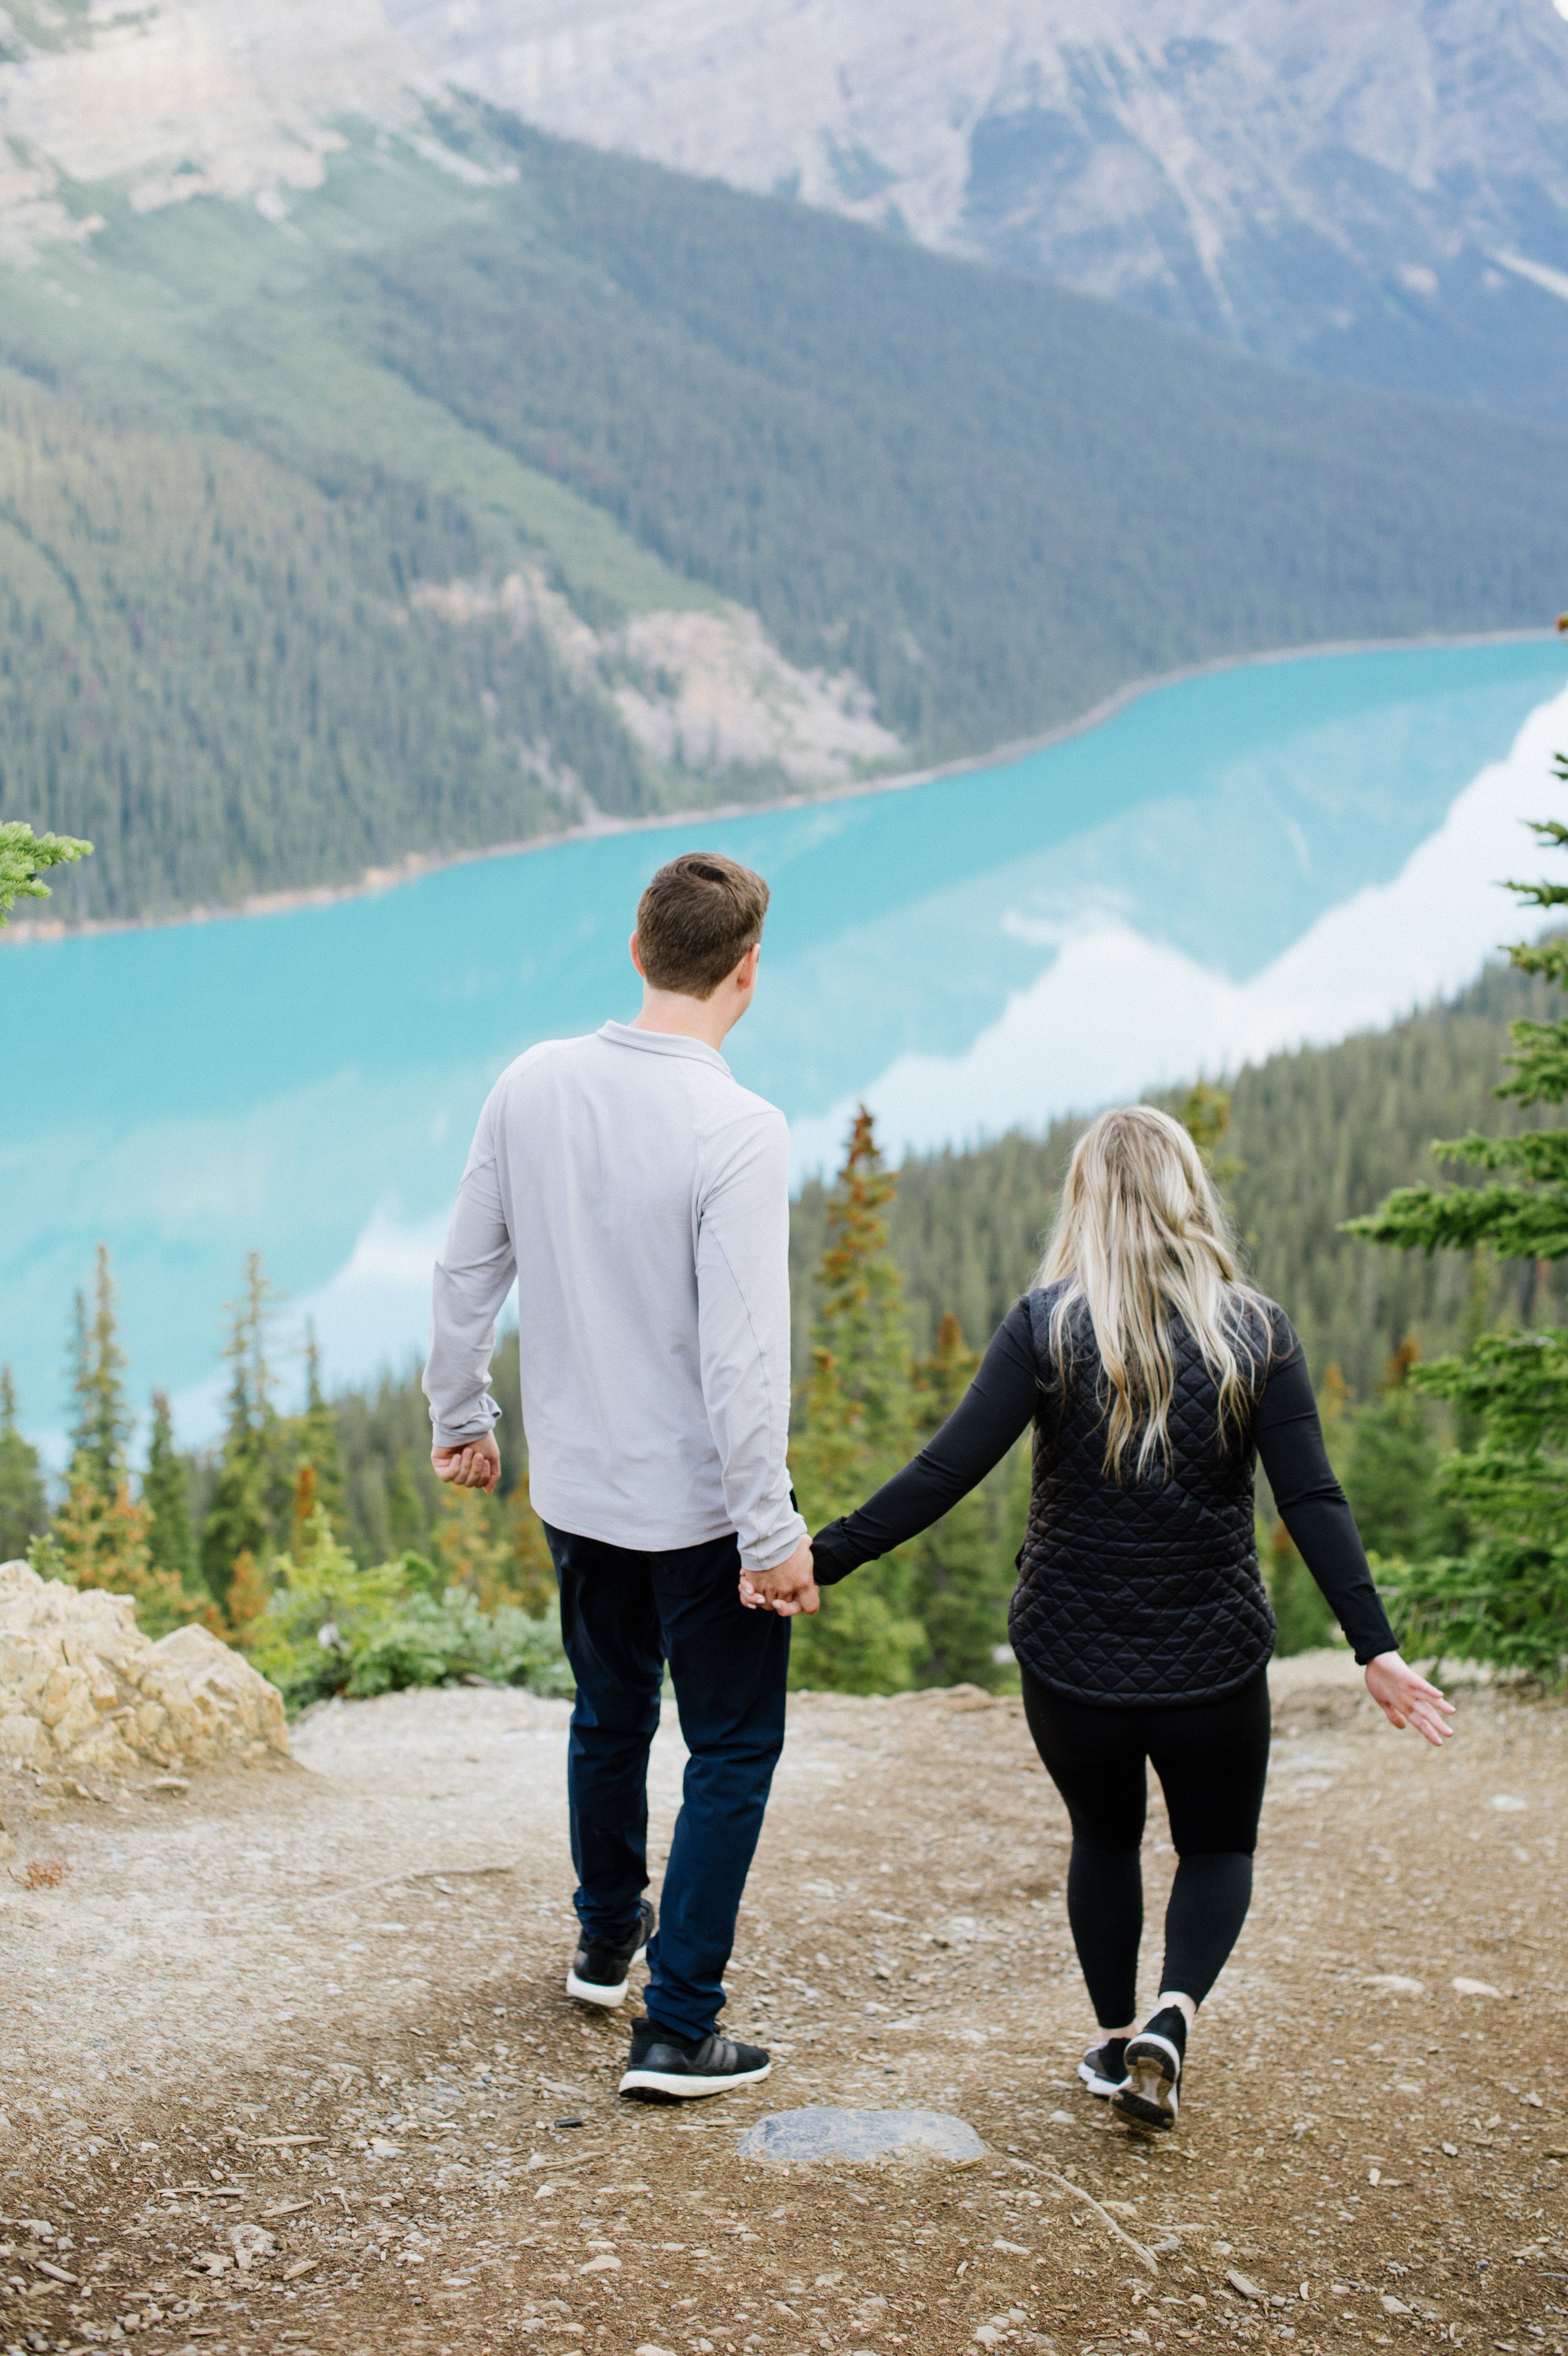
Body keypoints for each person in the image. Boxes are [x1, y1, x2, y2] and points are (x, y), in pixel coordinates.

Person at [746, 1105, 1453, 2130]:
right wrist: (1373, 1648)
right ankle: (1173, 2015)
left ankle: (1119, 2043)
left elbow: (947, 1471)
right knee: (1217, 1852)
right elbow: (1313, 1501)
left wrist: (822, 1558)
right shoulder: (1254, 1330)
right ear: (1188, 1198)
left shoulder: (1047, 1325)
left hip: (1070, 1667)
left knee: (1104, 1840)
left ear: (1085, 1201)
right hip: (1212, 1663)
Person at [423, 851, 818, 2101]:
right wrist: (769, 1534)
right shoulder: (738, 1130)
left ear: (637, 949)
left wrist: (460, 1417)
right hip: (701, 1516)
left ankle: (606, 1942)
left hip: (578, 1496)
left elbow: (461, 1275)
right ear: (745, 971)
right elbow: (745, 1365)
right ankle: (677, 2022)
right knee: (734, 1747)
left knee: (608, 1714)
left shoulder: (531, 1083)